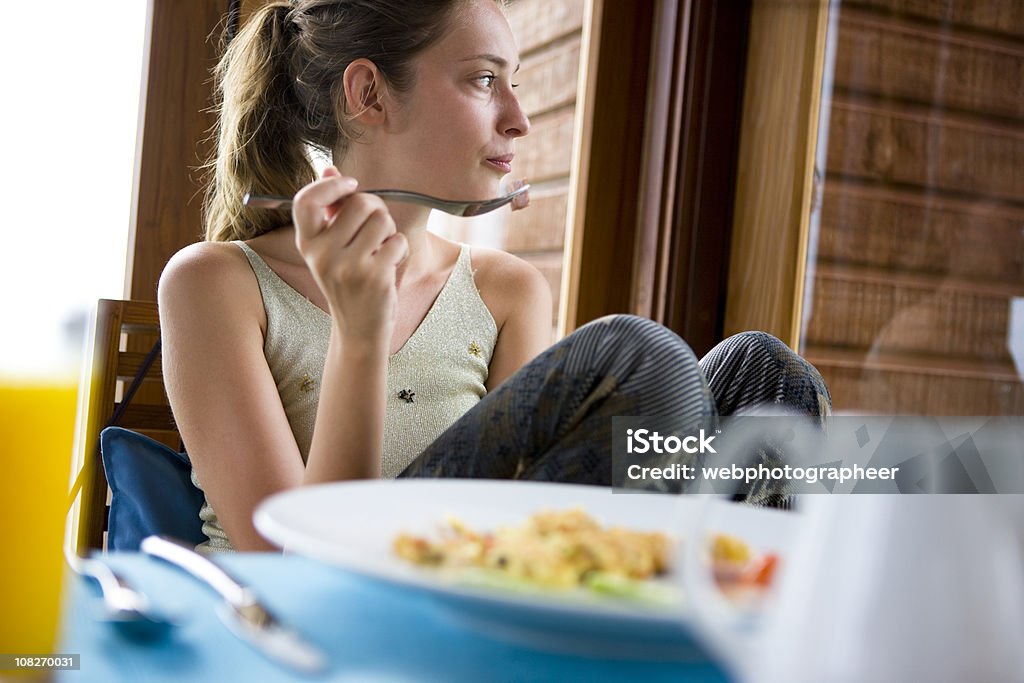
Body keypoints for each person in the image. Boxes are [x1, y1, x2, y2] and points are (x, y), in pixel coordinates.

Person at [159, 0, 831, 553]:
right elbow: (290, 561)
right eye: (484, 80)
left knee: (766, 372)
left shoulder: (505, 291)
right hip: (327, 609)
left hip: (487, 581)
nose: (519, 117)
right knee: (638, 355)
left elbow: (532, 512)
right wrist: (360, 332)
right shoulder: (214, 284)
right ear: (369, 94)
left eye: (514, 81)